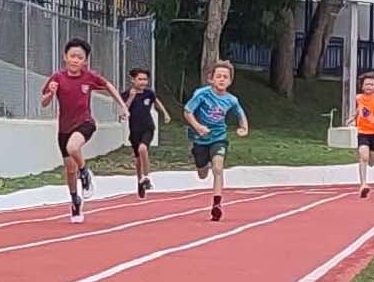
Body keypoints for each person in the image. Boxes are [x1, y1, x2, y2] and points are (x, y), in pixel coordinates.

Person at [40, 38, 128, 223]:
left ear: (85, 60)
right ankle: (75, 200)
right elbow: (44, 102)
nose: (75, 60)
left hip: (85, 123)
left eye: (80, 57)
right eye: (72, 56)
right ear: (65, 57)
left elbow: (108, 86)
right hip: (64, 128)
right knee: (69, 170)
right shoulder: (57, 78)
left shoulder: (89, 77)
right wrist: (51, 93)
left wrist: (123, 106)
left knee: (74, 148)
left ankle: (85, 171)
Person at [184, 60, 249, 222]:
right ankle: (200, 160)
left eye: (225, 77)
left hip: (219, 138)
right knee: (202, 174)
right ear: (211, 79)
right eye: (218, 76)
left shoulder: (231, 100)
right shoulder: (202, 93)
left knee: (218, 168)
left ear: (230, 81)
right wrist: (198, 127)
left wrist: (244, 128)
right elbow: (187, 111)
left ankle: (217, 205)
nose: (221, 79)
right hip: (200, 138)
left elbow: (241, 114)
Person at [123, 66, 172, 198]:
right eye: (140, 79)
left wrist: (165, 113)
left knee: (143, 149)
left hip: (148, 128)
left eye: (145, 79)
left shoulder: (149, 93)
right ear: (133, 80)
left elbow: (156, 101)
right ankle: (140, 181)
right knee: (138, 159)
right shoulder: (127, 94)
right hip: (134, 130)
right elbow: (124, 110)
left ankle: (146, 176)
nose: (143, 82)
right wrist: (131, 98)